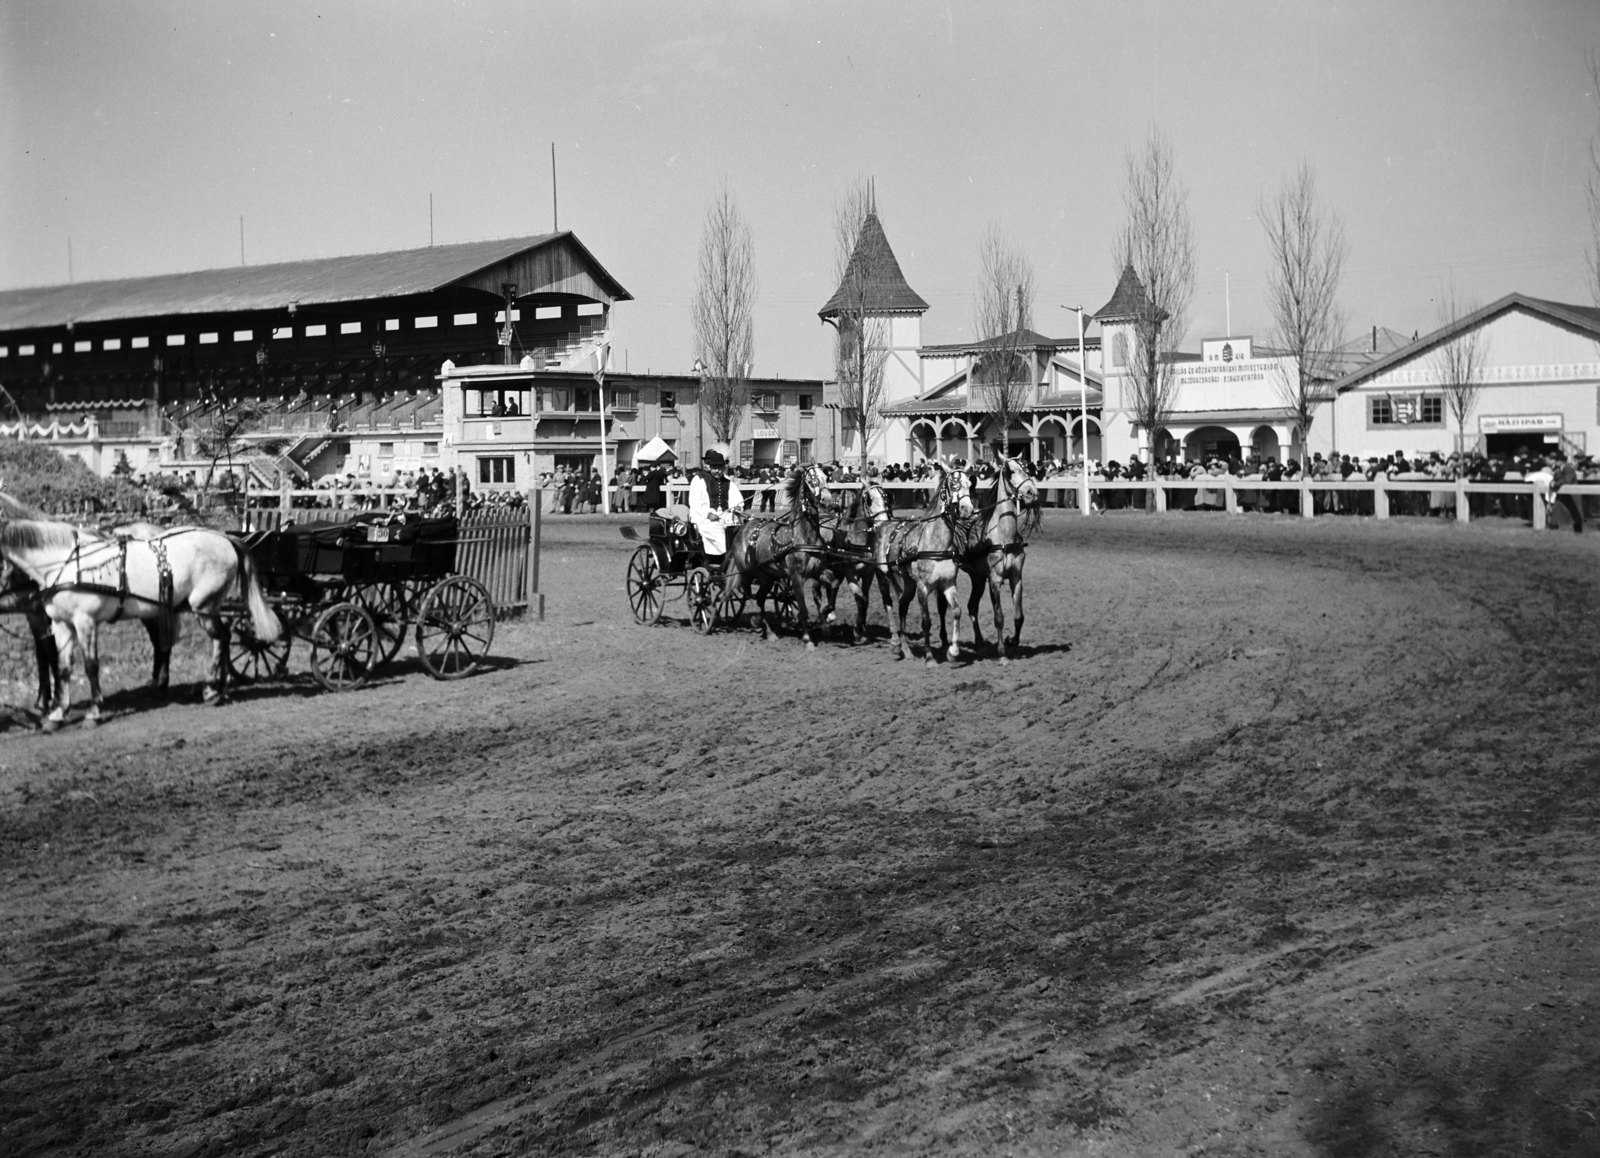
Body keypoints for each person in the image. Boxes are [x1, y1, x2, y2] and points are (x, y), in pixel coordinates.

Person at [689, 445, 745, 561]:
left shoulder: (728, 482)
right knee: (719, 532)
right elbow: (695, 503)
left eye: (719, 468)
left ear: (724, 468)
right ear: (709, 467)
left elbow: (737, 500)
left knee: (738, 530)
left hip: (725, 517)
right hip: (705, 519)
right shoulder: (699, 480)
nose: (717, 471)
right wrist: (708, 514)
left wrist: (738, 508)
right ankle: (728, 557)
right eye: (714, 468)